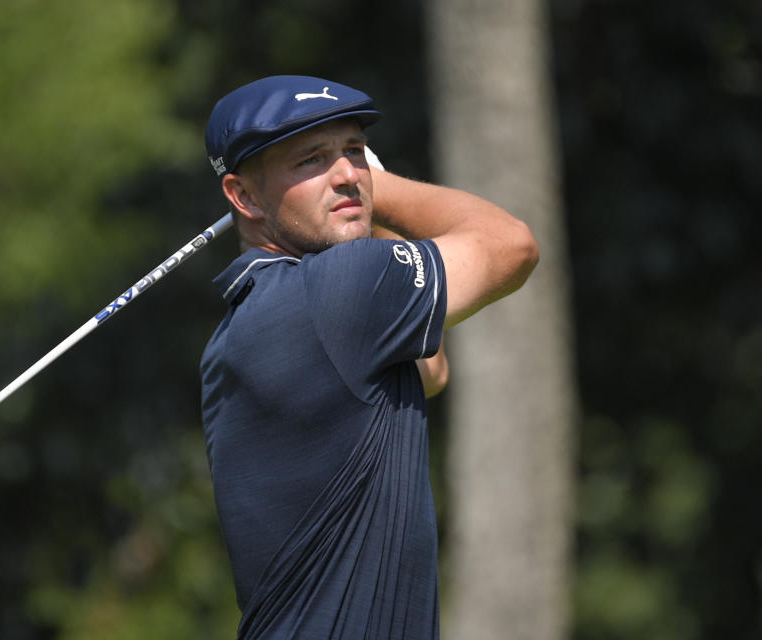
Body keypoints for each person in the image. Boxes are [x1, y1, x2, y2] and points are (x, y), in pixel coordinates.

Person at [199, 75, 539, 639]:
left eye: (353, 150)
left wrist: (360, 209)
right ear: (245, 196)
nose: (345, 175)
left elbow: (430, 373)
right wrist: (379, 185)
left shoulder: (257, 316)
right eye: (311, 159)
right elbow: (512, 244)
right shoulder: (335, 292)